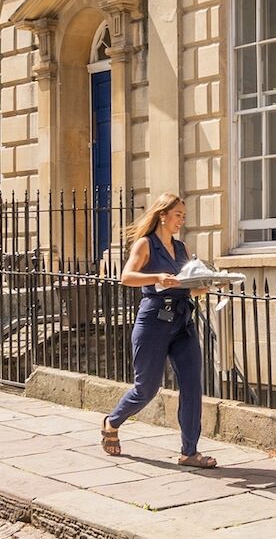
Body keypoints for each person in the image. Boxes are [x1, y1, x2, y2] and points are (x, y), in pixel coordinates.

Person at [100, 193, 216, 469]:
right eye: (177, 215)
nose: (181, 221)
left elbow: (186, 285)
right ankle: (112, 422)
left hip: (182, 321)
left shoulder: (182, 248)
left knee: (191, 385)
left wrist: (207, 285)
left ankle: (190, 451)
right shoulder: (146, 244)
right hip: (153, 321)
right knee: (146, 388)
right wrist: (157, 277)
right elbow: (126, 277)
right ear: (163, 215)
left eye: (183, 217)